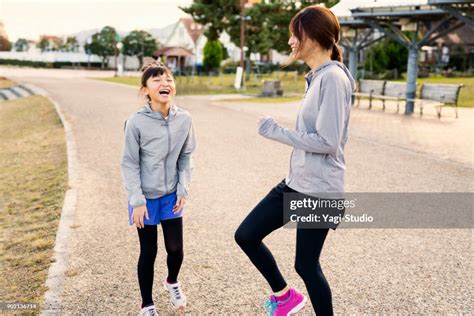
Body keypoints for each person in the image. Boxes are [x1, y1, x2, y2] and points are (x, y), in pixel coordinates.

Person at [234, 5, 355, 316]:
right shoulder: (316, 77)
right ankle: (285, 296)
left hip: (320, 190)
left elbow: (327, 142)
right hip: (298, 183)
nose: (289, 41)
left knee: (306, 265)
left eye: (294, 34)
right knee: (246, 235)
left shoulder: (333, 80)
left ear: (313, 37)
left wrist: (276, 132)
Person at [121, 61, 196, 315]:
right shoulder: (136, 123)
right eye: (156, 80)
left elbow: (186, 156)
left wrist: (183, 189)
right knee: (149, 250)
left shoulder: (184, 119)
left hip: (171, 195)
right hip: (145, 198)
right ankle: (147, 304)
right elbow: (129, 163)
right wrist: (137, 201)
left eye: (169, 79)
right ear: (146, 90)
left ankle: (172, 282)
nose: (164, 83)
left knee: (176, 249)